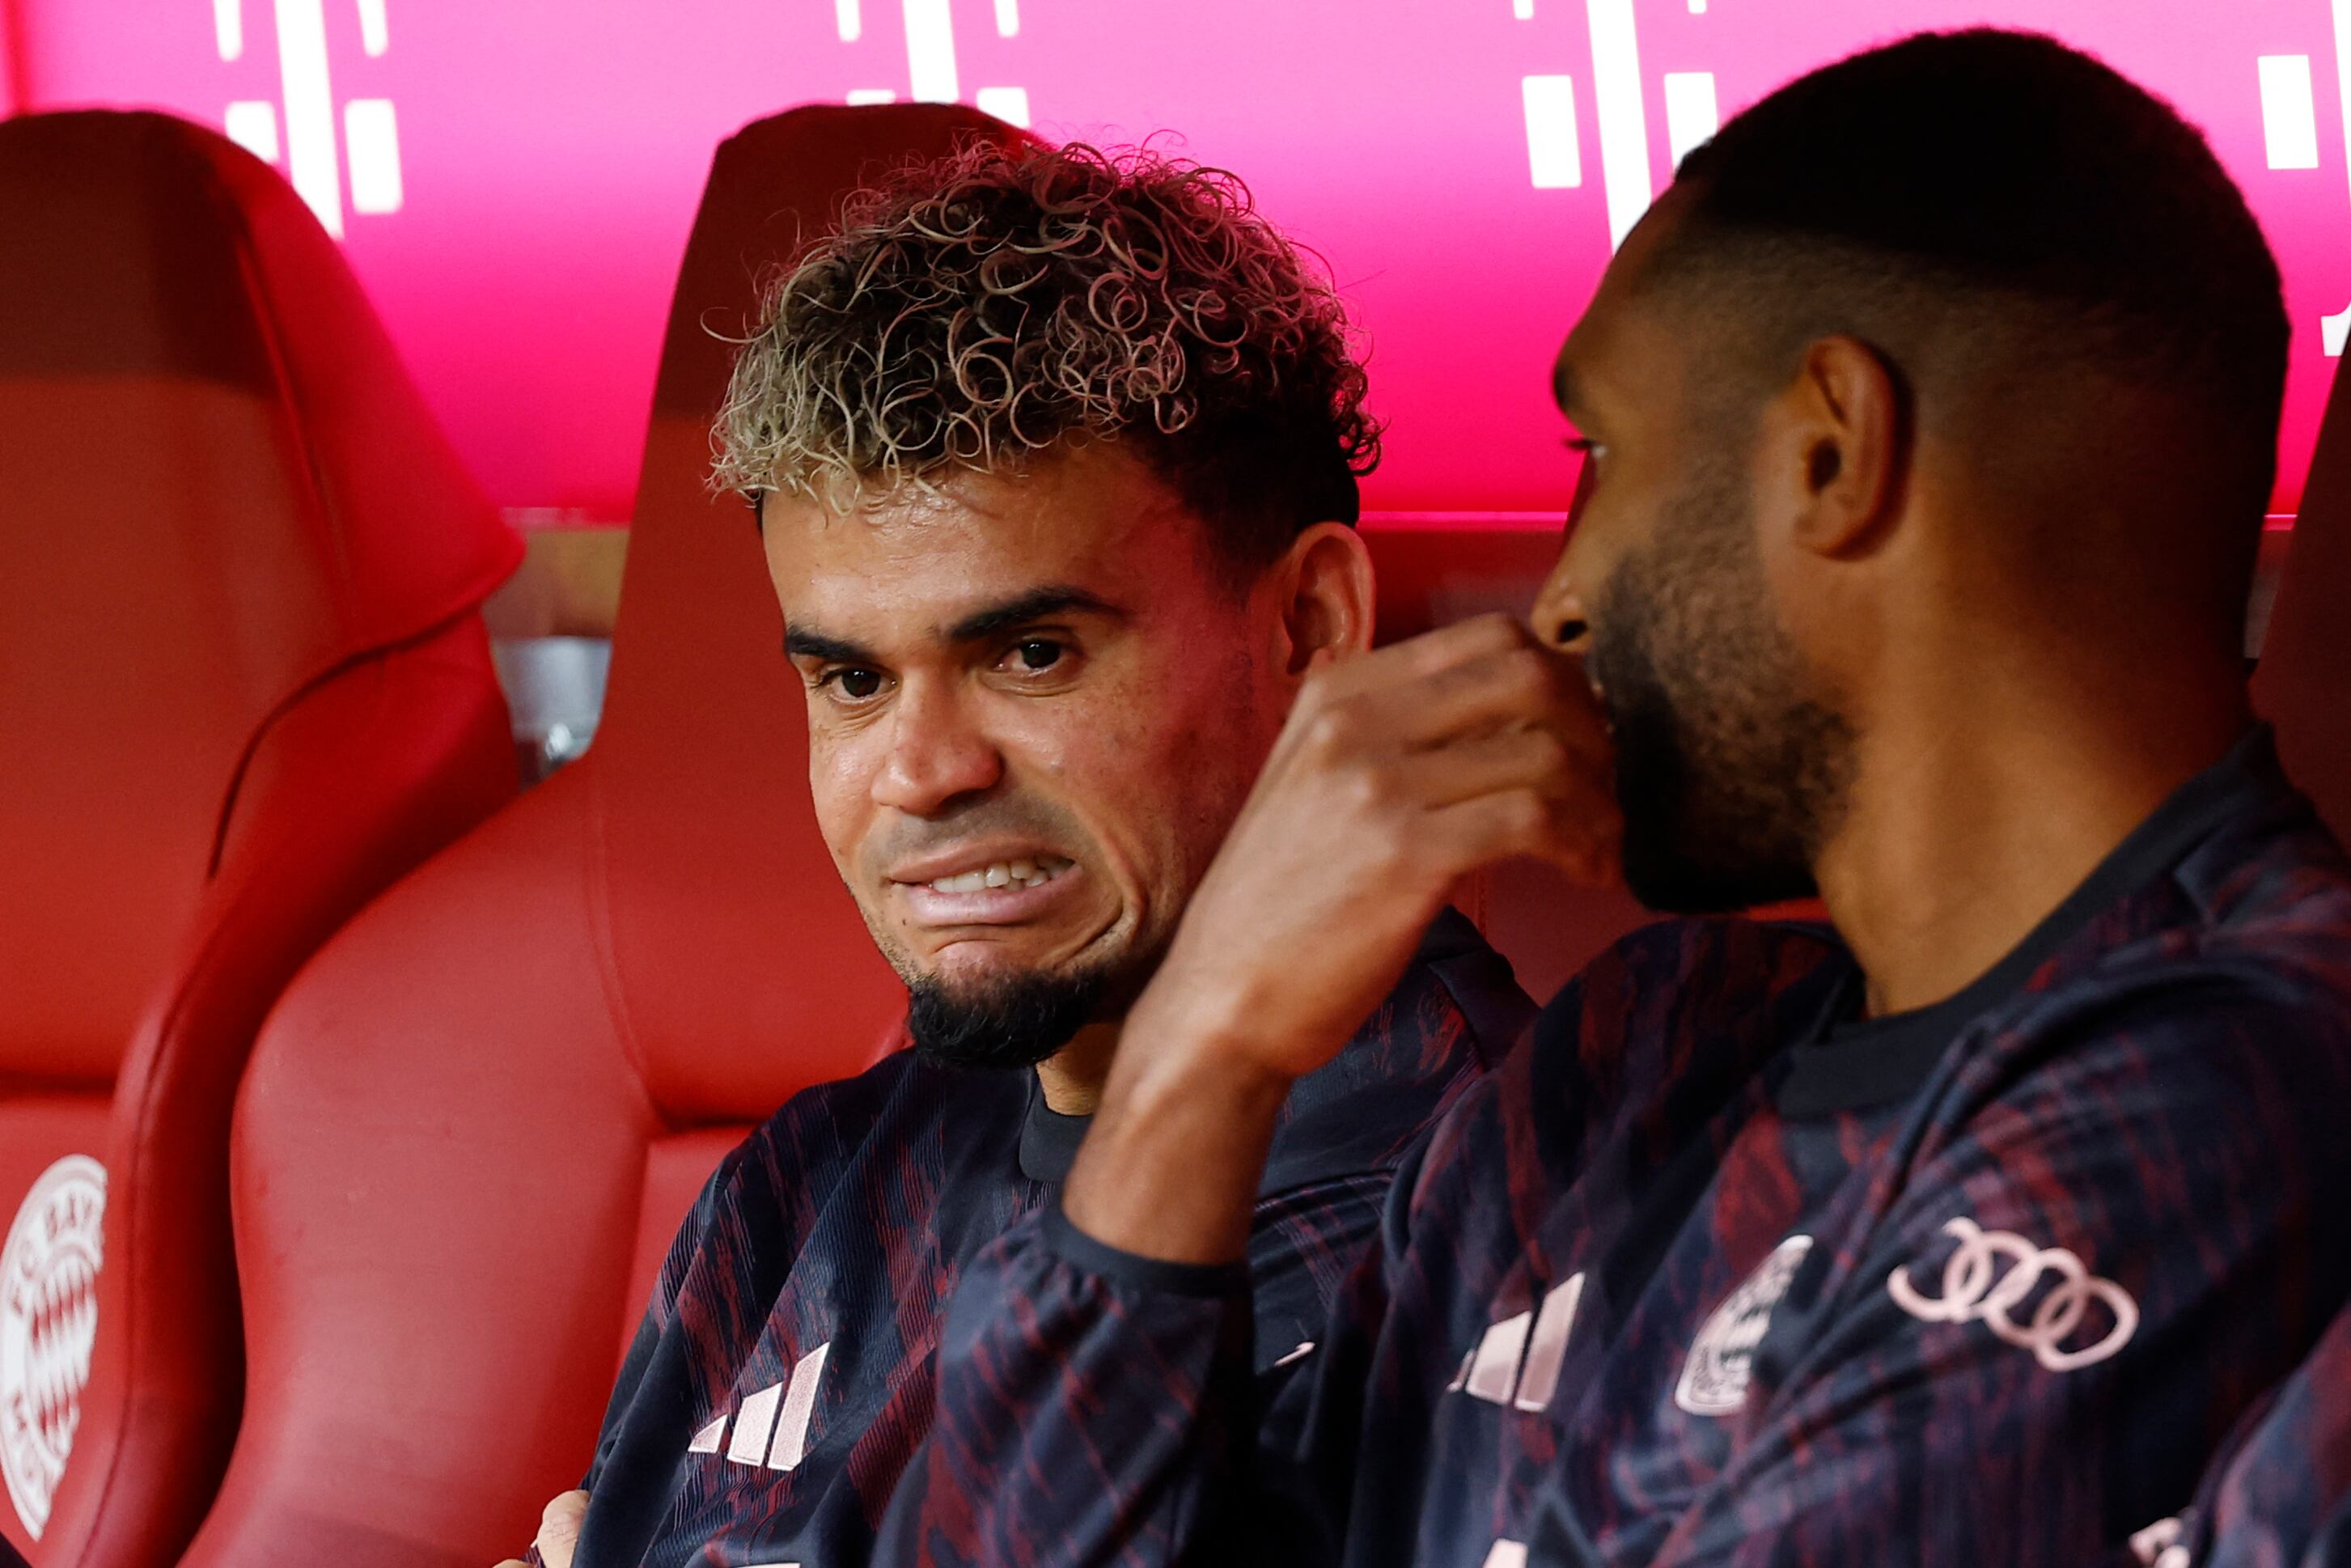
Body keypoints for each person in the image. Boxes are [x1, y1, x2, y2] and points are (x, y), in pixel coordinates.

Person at [884, 29, 2351, 1568]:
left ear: (1832, 453)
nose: (1562, 599)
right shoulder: (1634, 1053)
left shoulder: (2244, 1082)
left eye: (1600, 450)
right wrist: (1204, 1048)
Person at [498, 142, 1534, 1568]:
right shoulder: (812, 1183)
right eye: (851, 680)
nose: (919, 771)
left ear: (1307, 628)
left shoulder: (1503, 1222)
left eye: (1031, 653)